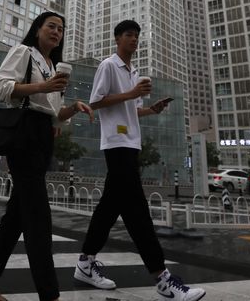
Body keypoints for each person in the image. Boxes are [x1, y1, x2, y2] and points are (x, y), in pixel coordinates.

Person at [73, 20, 205, 301]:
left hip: (131, 143)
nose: (134, 40)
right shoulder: (108, 66)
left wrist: (151, 110)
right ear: (118, 38)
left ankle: (85, 263)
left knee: (109, 208)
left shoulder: (134, 72)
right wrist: (132, 94)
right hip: (116, 143)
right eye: (129, 35)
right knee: (137, 211)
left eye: (136, 36)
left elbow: (131, 109)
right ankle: (162, 278)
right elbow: (95, 103)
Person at [0, 11, 93, 301]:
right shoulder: (23, 52)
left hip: (43, 137)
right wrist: (43, 87)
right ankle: (50, 295)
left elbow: (55, 116)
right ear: (38, 29)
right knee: (38, 219)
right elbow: (0, 88)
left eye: (61, 29)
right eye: (51, 26)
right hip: (24, 134)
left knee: (16, 216)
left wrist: (75, 106)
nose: (57, 32)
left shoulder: (53, 66)